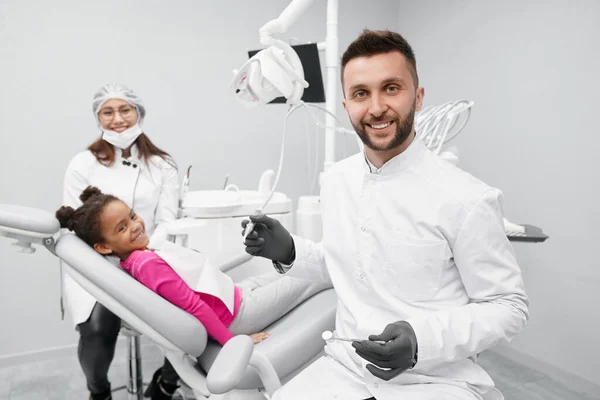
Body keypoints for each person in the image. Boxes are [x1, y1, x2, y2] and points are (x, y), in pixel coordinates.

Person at [241, 29, 530, 400]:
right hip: (344, 369)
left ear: (418, 97)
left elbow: (508, 307)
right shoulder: (336, 181)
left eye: (391, 88)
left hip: (435, 380)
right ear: (346, 106)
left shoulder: (467, 197)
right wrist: (290, 252)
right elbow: (349, 268)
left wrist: (420, 341)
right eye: (361, 93)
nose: (376, 107)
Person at [55, 186, 331, 376]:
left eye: (132, 216)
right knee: (312, 276)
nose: (136, 225)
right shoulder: (147, 265)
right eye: (122, 228)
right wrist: (231, 341)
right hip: (238, 315)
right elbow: (194, 306)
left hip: (235, 295)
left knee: (292, 270)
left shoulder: (136, 259)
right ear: (103, 247)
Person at [61, 83, 180, 400]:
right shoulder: (82, 164)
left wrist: (150, 249)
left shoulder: (162, 165)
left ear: (138, 113)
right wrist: (107, 258)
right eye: (107, 112)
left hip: (151, 254)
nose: (117, 119)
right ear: (98, 118)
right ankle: (98, 391)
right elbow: (74, 225)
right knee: (98, 331)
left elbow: (168, 218)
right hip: (95, 262)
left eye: (124, 110)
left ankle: (166, 385)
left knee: (188, 317)